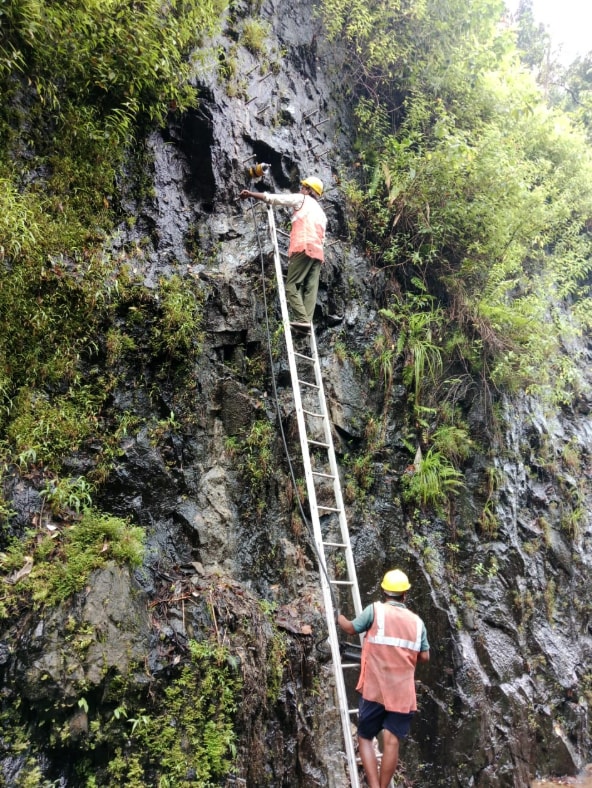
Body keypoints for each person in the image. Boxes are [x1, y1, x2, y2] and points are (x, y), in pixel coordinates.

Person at [337, 569, 429, 788]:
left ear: (384, 592)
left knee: (365, 737)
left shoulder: (375, 611)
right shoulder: (417, 623)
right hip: (402, 694)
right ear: (405, 595)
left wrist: (337, 616)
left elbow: (350, 629)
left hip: (376, 689)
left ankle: (374, 786)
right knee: (391, 740)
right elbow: (424, 656)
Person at [239, 177, 327, 330]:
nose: (301, 189)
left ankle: (303, 319)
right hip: (318, 253)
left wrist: (252, 194)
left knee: (291, 285)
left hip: (303, 246)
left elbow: (274, 198)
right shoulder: (322, 214)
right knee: (311, 288)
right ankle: (307, 321)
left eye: (303, 187)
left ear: (308, 190)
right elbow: (323, 238)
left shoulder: (302, 199)